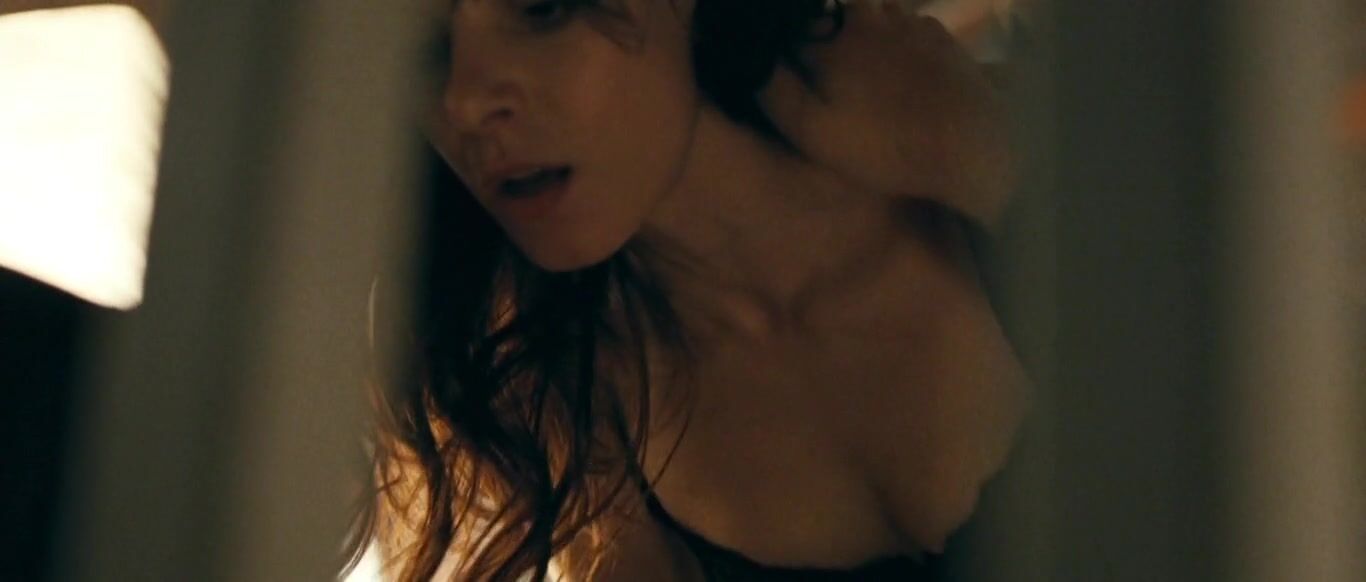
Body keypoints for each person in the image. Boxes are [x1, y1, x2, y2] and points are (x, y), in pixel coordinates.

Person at [354, 1, 1030, 580]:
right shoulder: (575, 426)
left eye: (543, 7)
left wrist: (998, 167)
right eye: (424, 49)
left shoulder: (977, 148)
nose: (463, 103)